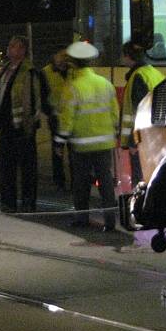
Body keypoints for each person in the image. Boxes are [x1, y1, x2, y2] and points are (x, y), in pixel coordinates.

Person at [56, 41, 120, 231]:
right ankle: (110, 221)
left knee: (81, 183)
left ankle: (82, 219)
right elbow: (114, 113)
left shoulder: (72, 87)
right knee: (106, 182)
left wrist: (59, 142)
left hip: (81, 146)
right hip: (104, 143)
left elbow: (66, 120)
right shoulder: (106, 84)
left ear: (73, 64)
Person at [0, 35, 50, 213]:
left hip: (23, 129)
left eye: (13, 46)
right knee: (5, 166)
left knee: (27, 169)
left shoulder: (30, 72)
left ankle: (28, 203)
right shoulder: (6, 69)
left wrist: (30, 124)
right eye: (9, 45)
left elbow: (36, 100)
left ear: (23, 50)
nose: (9, 49)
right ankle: (8, 203)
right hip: (7, 127)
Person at [120, 41, 165, 183]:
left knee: (139, 179)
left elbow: (139, 113)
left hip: (142, 140)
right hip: (157, 136)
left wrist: (133, 142)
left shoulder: (138, 77)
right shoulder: (154, 72)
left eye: (123, 56)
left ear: (128, 57)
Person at [42, 50, 70, 190]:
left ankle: (75, 180)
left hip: (71, 117)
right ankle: (59, 181)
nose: (63, 58)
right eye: (61, 55)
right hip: (56, 118)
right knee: (57, 152)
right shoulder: (46, 72)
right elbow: (42, 96)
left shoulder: (71, 71)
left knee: (73, 151)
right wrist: (49, 112)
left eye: (66, 55)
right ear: (54, 56)